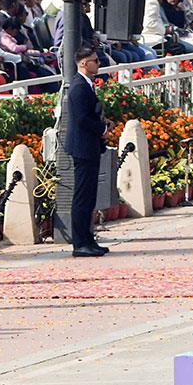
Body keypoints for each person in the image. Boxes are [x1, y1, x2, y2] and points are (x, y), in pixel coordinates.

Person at [62, 43, 110, 258]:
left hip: (89, 147)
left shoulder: (86, 84)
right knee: (82, 196)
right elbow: (82, 118)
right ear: (84, 63)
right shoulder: (79, 86)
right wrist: (102, 129)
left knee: (89, 196)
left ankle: (88, 239)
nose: (98, 64)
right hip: (83, 147)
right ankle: (80, 242)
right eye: (95, 60)